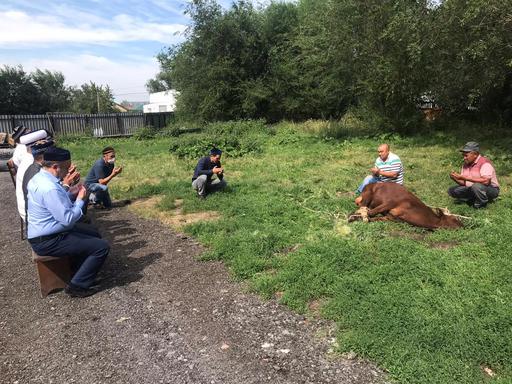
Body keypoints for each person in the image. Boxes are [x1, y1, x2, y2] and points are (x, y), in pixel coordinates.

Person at [27, 147, 109, 298]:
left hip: (47, 232)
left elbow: (55, 204)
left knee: (93, 233)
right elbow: (67, 219)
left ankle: (79, 272)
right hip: (49, 240)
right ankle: (77, 286)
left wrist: (69, 191)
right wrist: (80, 200)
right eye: (66, 167)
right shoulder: (49, 187)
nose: (68, 171)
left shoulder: (41, 178)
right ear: (55, 167)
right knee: (101, 247)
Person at [448, 141, 499, 209]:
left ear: (475, 154)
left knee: (476, 186)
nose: (464, 158)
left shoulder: (484, 163)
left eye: (466, 155)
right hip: (473, 187)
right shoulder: (466, 164)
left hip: (491, 189)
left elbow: (486, 181)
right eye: (463, 155)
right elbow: (465, 183)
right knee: (452, 190)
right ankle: (472, 199)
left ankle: (481, 205)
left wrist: (464, 177)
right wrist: (455, 178)